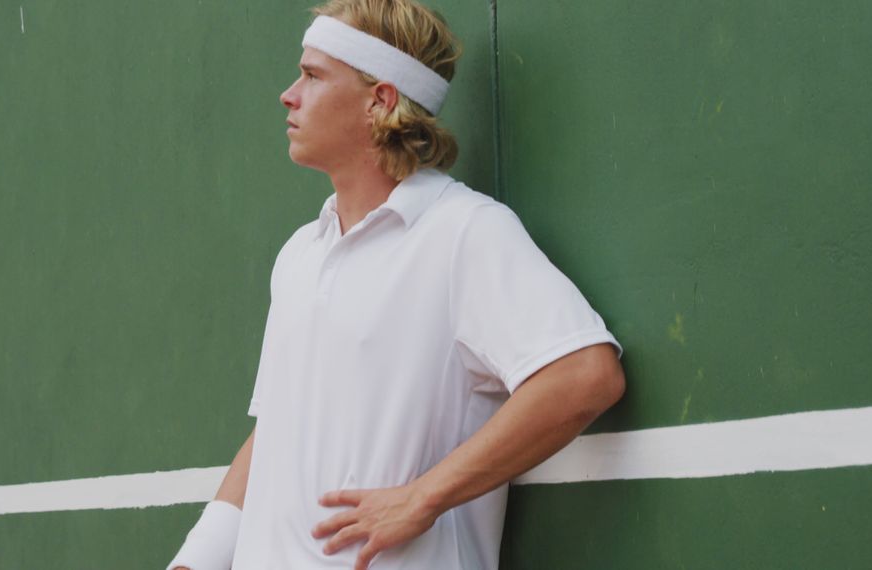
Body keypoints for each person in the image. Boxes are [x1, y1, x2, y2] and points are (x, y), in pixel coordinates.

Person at [168, 0, 625, 568]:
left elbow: (585, 375)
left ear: (379, 100)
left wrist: (423, 496)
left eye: (312, 75)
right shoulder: (299, 255)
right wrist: (195, 560)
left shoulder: (463, 231)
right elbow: (275, 432)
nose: (289, 94)